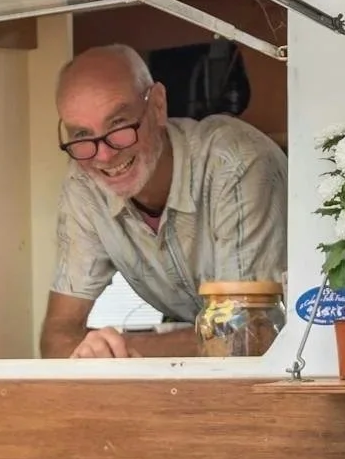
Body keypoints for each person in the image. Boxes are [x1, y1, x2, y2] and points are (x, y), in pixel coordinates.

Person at [40, 44, 287, 359]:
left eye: (118, 124)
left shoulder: (235, 163)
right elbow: (56, 338)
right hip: (203, 373)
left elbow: (247, 335)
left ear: (158, 105)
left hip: (313, 361)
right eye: (81, 135)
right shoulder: (84, 184)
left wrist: (119, 351)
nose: (104, 155)